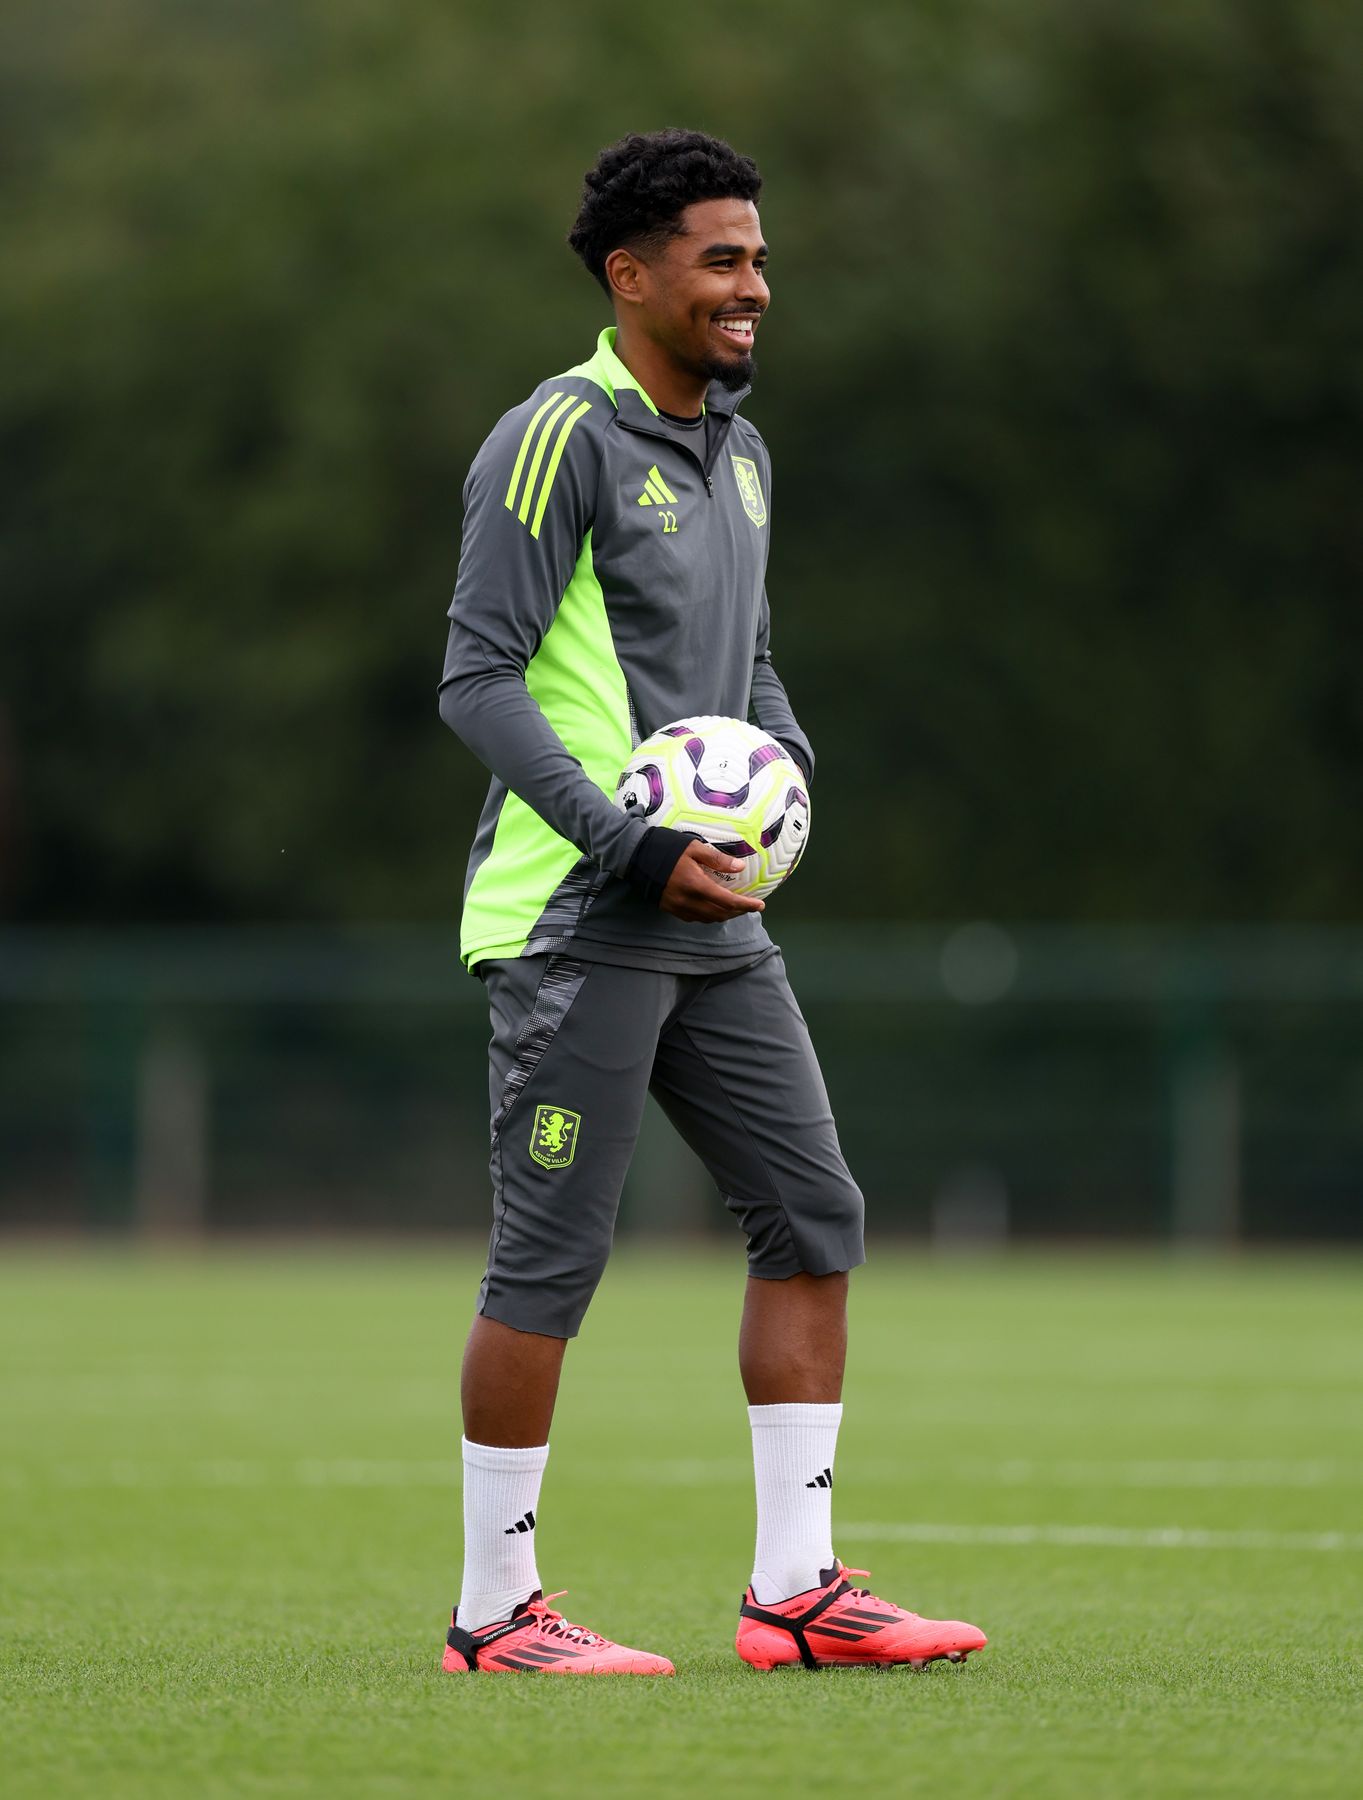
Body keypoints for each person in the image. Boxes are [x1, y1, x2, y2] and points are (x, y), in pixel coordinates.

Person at [436, 129, 986, 1676]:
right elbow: (476, 681)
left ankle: (793, 1594)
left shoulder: (739, 453)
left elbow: (744, 667)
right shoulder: (558, 436)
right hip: (578, 912)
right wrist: (626, 844)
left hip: (717, 920)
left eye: (758, 256)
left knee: (815, 1220)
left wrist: (787, 767)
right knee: (551, 1261)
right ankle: (495, 1615)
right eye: (722, 259)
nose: (757, 285)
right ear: (632, 276)